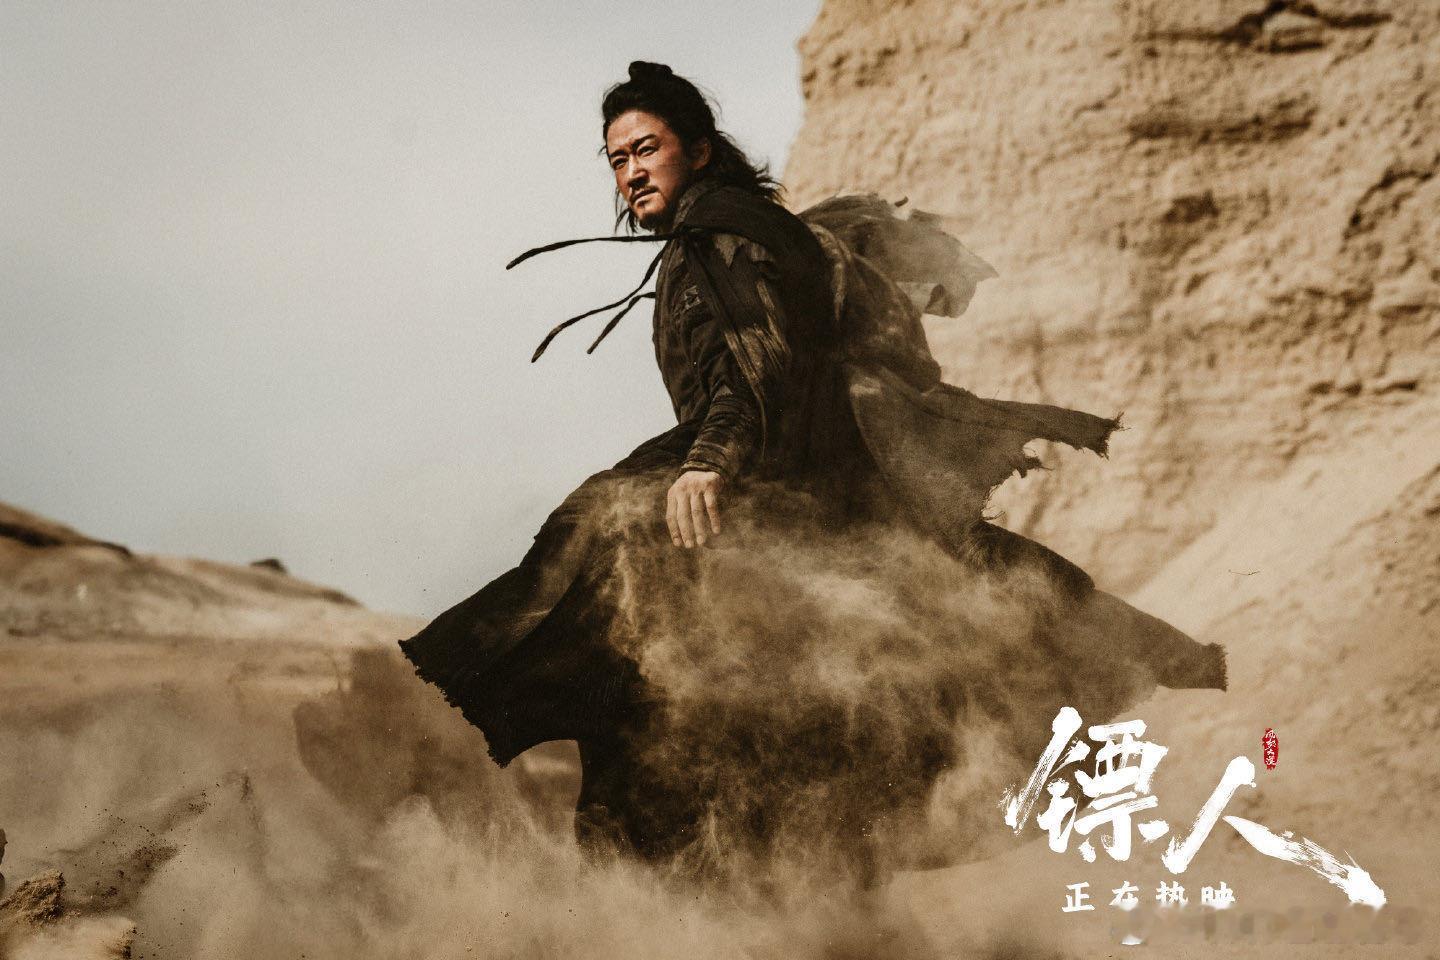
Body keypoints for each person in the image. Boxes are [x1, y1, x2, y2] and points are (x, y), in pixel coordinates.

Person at [399, 61, 1224, 877]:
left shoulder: (721, 232)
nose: (632, 172)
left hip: (766, 492)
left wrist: (708, 461)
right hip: (806, 497)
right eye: (618, 159)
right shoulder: (734, 228)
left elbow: (757, 363)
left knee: (591, 604)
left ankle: (449, 759)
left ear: (700, 150)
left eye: (647, 149)